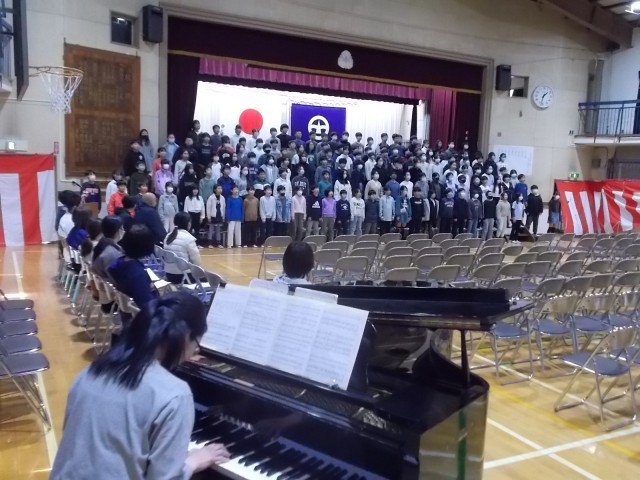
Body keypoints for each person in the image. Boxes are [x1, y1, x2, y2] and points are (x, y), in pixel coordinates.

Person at [51, 291, 230, 480]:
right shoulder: (175, 394)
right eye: (197, 345)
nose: (195, 351)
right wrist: (193, 461)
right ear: (187, 337)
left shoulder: (90, 372)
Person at [108, 224, 158, 308]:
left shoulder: (117, 263)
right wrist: (154, 292)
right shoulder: (138, 274)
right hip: (140, 313)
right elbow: (147, 306)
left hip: (124, 308)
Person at [164, 212, 202, 284]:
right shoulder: (189, 238)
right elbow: (197, 263)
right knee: (210, 278)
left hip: (169, 274)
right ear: (189, 224)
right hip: (184, 277)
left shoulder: (167, 236)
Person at [91, 216, 124, 280]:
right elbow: (117, 278)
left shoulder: (101, 243)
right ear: (117, 231)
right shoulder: (111, 254)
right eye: (122, 228)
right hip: (110, 284)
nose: (124, 231)